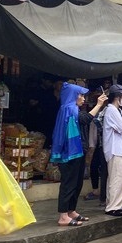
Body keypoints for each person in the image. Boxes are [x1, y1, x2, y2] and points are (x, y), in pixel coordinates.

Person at [50, 83, 107, 226]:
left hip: (77, 152)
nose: (83, 98)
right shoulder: (69, 109)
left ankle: (71, 210)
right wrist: (99, 104)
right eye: (80, 95)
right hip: (69, 154)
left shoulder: (72, 109)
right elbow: (86, 119)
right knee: (69, 184)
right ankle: (63, 216)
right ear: (72, 96)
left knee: (77, 182)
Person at [103, 84, 122, 217]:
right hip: (115, 149)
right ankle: (113, 206)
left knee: (120, 177)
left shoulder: (117, 110)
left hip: (120, 149)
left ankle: (117, 204)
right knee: (117, 177)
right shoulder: (112, 110)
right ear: (117, 97)